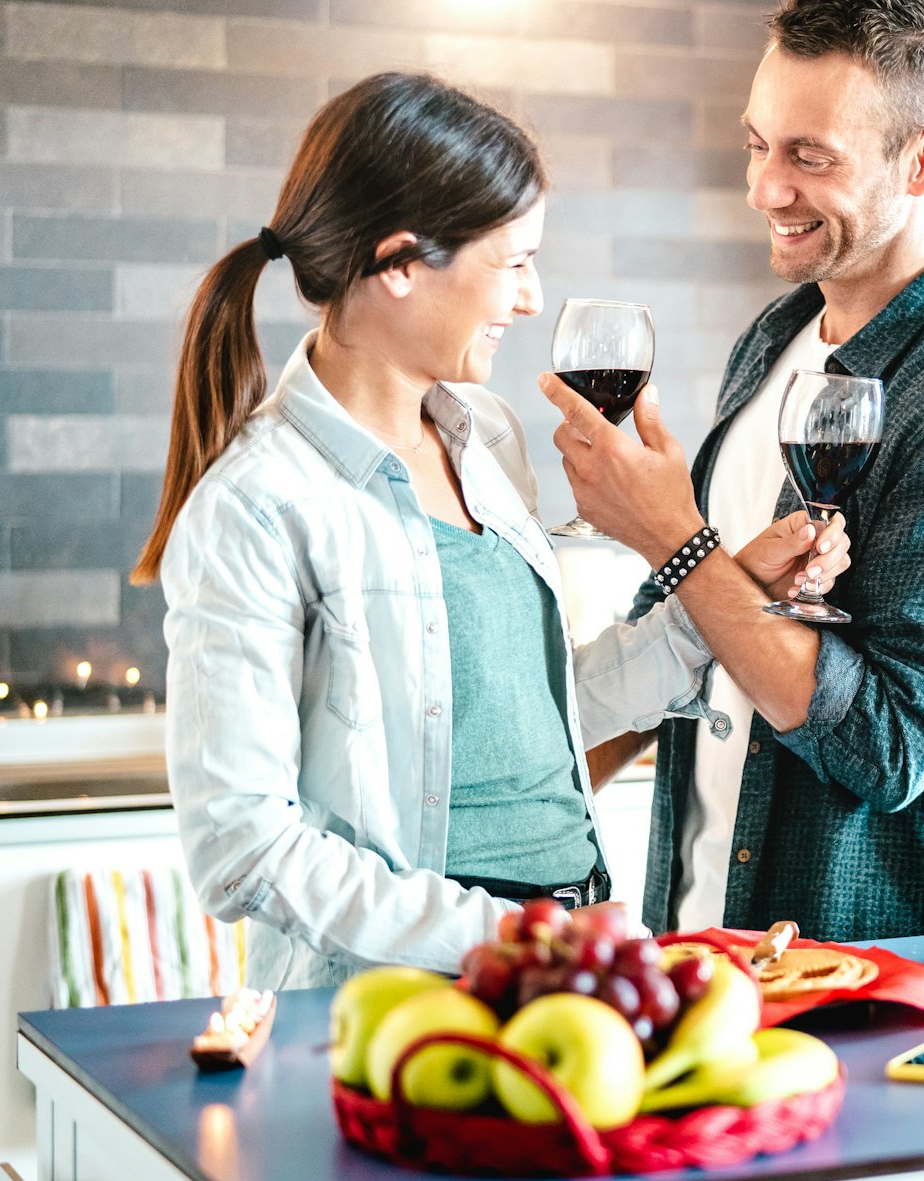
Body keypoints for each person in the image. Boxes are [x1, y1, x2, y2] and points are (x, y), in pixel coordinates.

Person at [134, 72, 847, 990]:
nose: (531, 297)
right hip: (404, 995)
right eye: (512, 263)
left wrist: (723, 594)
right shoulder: (258, 503)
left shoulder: (487, 438)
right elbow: (243, 847)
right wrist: (504, 934)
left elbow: (527, 718)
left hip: (569, 955)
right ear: (399, 263)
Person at [541, 0, 924, 943]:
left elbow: (890, 749)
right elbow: (697, 634)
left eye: (809, 156)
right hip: (702, 940)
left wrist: (674, 536)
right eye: (757, 144)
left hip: (875, 978)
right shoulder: (777, 337)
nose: (764, 188)